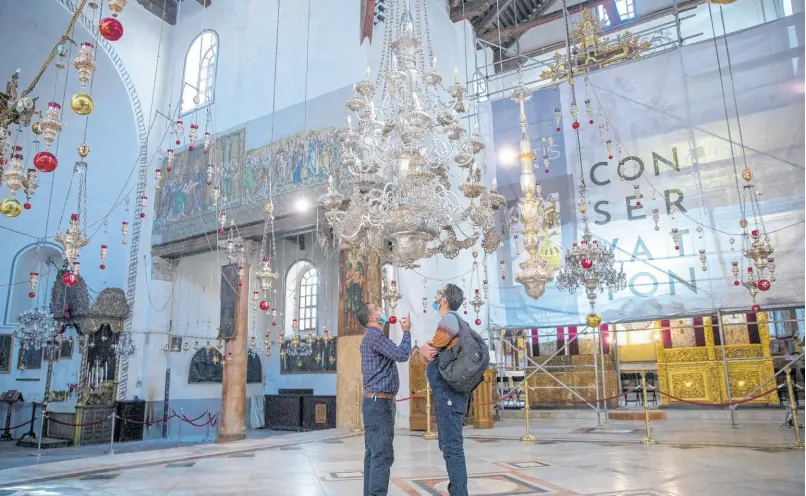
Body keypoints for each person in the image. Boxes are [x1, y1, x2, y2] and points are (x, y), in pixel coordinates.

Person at [419, 284, 470, 496]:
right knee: (449, 446)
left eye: (439, 291)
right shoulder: (458, 322)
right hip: (451, 394)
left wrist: (422, 351)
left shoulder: (448, 320)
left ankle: (459, 492)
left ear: (444, 299)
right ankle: (456, 490)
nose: (436, 293)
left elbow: (430, 354)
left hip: (448, 395)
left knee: (452, 449)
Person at [358, 302, 411, 496]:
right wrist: (407, 332)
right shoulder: (376, 336)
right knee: (382, 455)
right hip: (379, 404)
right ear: (372, 318)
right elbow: (402, 354)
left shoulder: (368, 338)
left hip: (373, 402)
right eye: (378, 310)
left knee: (373, 454)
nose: (383, 311)